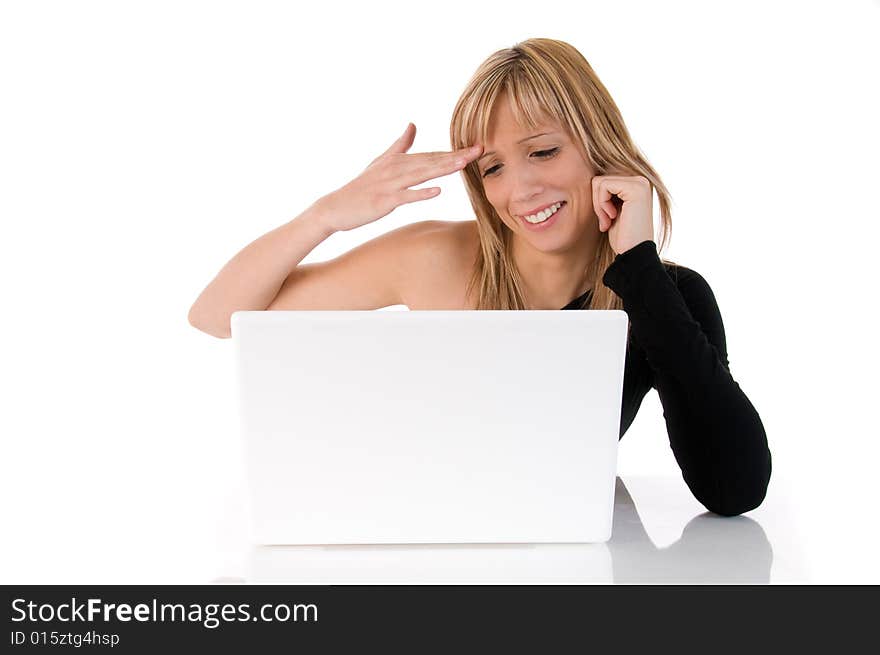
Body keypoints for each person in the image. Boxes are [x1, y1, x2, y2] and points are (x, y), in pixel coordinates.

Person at [188, 38, 771, 516]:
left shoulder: (664, 294)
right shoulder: (436, 258)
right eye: (493, 167)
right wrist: (325, 215)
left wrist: (639, 267)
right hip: (421, 538)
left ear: (598, 146)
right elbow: (217, 316)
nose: (520, 191)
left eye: (542, 152)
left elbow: (733, 491)